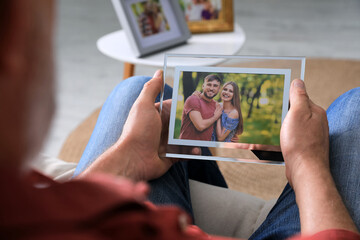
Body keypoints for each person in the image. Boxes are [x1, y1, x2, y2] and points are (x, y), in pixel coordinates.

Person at [1, 0, 359, 239]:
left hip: (185, 153)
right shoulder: (197, 102)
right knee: (355, 109)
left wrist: (127, 155)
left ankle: (193, 175)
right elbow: (206, 128)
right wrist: (307, 163)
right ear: (16, 39)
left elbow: (219, 132)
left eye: (222, 87)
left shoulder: (32, 210)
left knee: (137, 91)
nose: (220, 89)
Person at [179, 74, 223, 141]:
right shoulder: (194, 99)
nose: (211, 88)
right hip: (187, 146)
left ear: (219, 89)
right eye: (209, 84)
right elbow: (200, 126)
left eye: (215, 86)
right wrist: (215, 117)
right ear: (203, 86)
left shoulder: (217, 106)